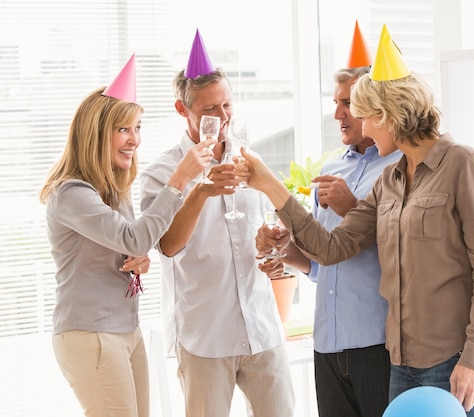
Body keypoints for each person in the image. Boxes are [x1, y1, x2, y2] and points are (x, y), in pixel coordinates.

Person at [236, 24, 474, 417]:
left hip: (453, 361)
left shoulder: (463, 165)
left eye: (366, 117)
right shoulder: (390, 181)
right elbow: (331, 248)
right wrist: (270, 186)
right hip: (401, 365)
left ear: (390, 115)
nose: (361, 126)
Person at [39, 54, 213, 417]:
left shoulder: (113, 192)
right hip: (91, 333)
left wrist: (138, 260)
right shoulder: (71, 193)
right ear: (96, 134)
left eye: (137, 128)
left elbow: (130, 243)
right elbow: (135, 237)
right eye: (123, 129)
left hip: (123, 328)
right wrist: (178, 179)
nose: (134, 139)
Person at [139, 30, 294, 417]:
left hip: (262, 327)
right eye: (210, 109)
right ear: (182, 109)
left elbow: (263, 232)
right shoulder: (161, 174)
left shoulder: (250, 160)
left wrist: (275, 247)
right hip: (204, 335)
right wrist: (201, 191)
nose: (223, 118)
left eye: (227, 105)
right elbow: (168, 246)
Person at [257, 21, 400, 417]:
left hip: (376, 343)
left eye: (348, 103)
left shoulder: (400, 167)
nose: (338, 113)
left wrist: (351, 206)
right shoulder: (332, 167)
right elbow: (320, 264)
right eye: (336, 102)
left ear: (377, 107)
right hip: (327, 343)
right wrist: (287, 251)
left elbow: (401, 248)